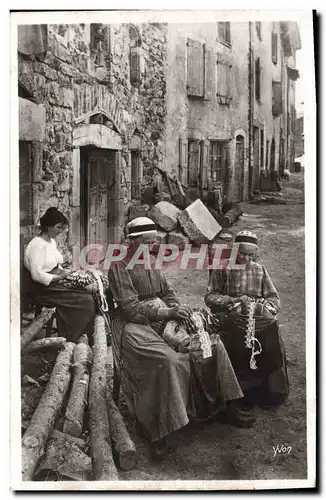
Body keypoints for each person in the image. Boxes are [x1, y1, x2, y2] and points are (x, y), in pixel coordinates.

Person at [108, 217, 256, 458]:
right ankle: (165, 427)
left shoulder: (152, 260)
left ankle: (227, 404)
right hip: (133, 325)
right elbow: (131, 309)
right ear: (131, 241)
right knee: (168, 360)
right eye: (146, 243)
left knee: (210, 345)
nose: (151, 248)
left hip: (162, 316)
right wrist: (168, 312)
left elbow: (168, 292)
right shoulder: (118, 264)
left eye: (153, 243)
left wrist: (179, 313)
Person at [205, 230, 289, 408]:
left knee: (270, 332)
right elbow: (210, 297)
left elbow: (274, 299)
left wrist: (263, 307)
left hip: (257, 316)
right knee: (238, 338)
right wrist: (232, 300)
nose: (247, 258)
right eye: (243, 253)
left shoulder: (259, 270)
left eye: (251, 255)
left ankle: (269, 389)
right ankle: (243, 391)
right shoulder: (223, 268)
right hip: (231, 314)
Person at [23, 207, 97, 343]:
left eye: (62, 227)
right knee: (84, 300)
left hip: (54, 281)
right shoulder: (37, 246)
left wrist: (66, 272)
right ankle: (71, 338)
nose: (60, 231)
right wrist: (59, 277)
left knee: (87, 291)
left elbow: (55, 263)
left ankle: (84, 334)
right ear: (47, 226)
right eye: (58, 227)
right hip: (41, 288)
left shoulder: (50, 241)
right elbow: (36, 275)